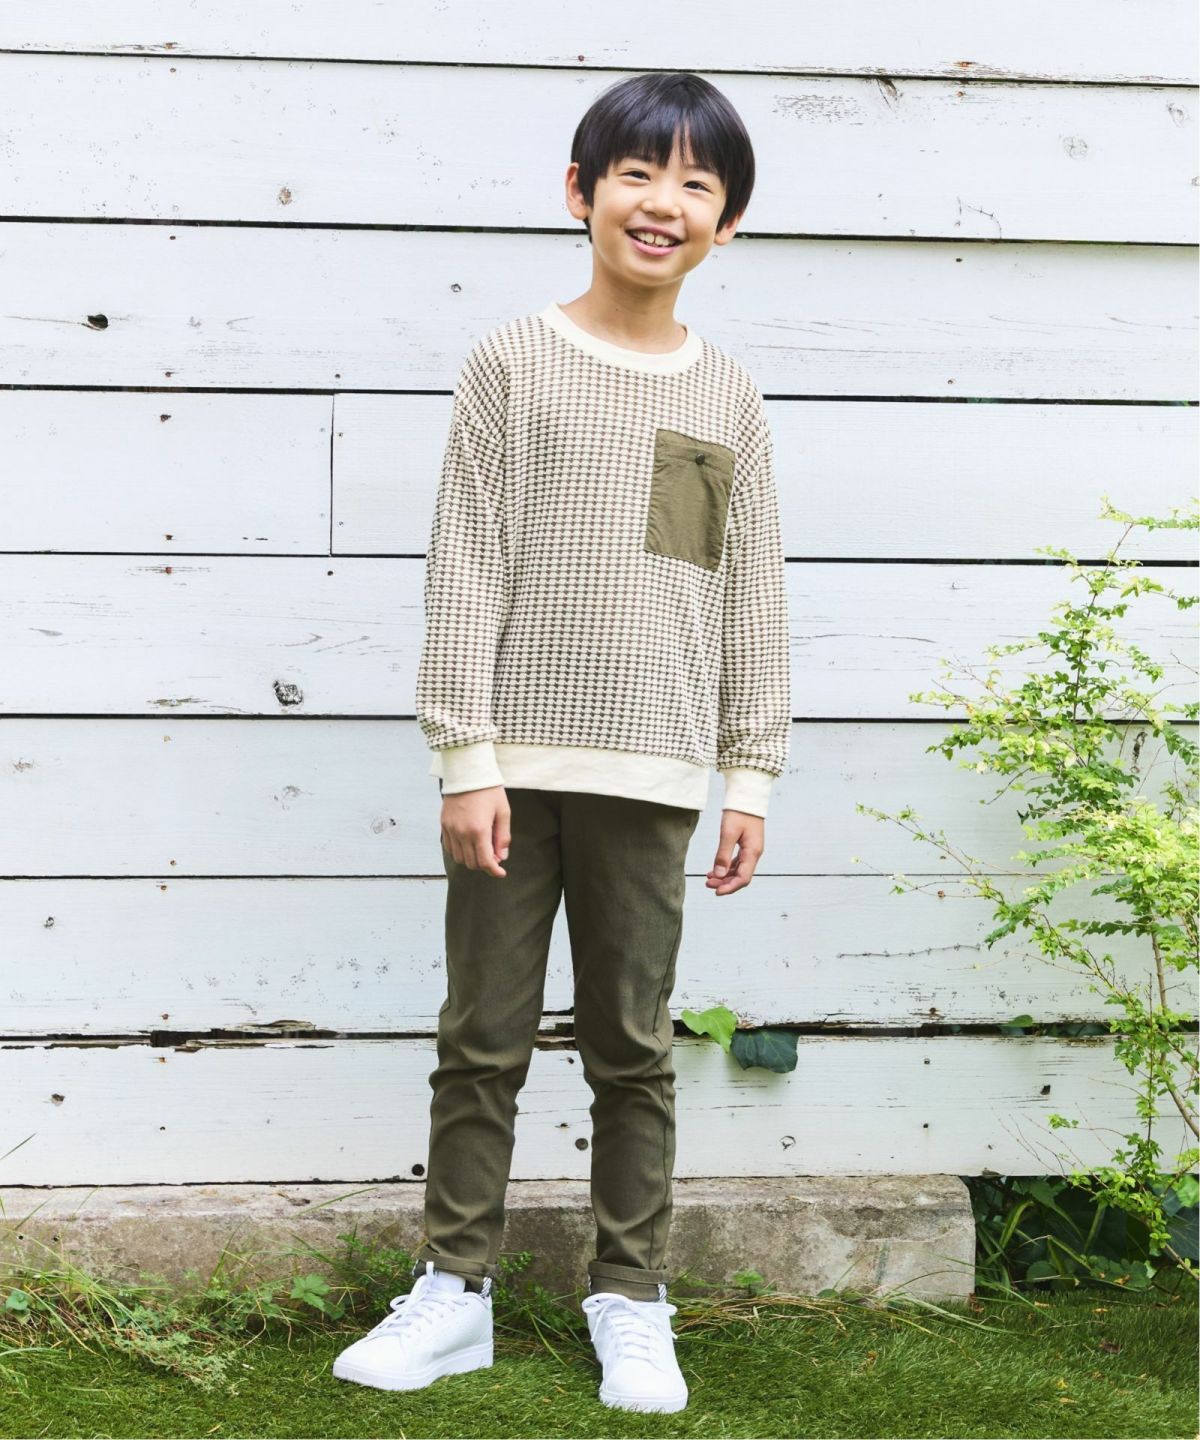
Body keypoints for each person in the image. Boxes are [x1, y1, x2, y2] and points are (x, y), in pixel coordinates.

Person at [333, 69, 790, 1414]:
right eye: (638, 174)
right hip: (511, 771)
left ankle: (631, 1299)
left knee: (632, 1045)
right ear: (582, 193)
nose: (663, 203)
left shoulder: (726, 399)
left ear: (726, 223)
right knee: (482, 1036)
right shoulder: (513, 365)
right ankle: (454, 1293)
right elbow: (467, 563)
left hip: (653, 768)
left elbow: (736, 590)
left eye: (697, 184)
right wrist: (464, 755)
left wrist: (748, 770)